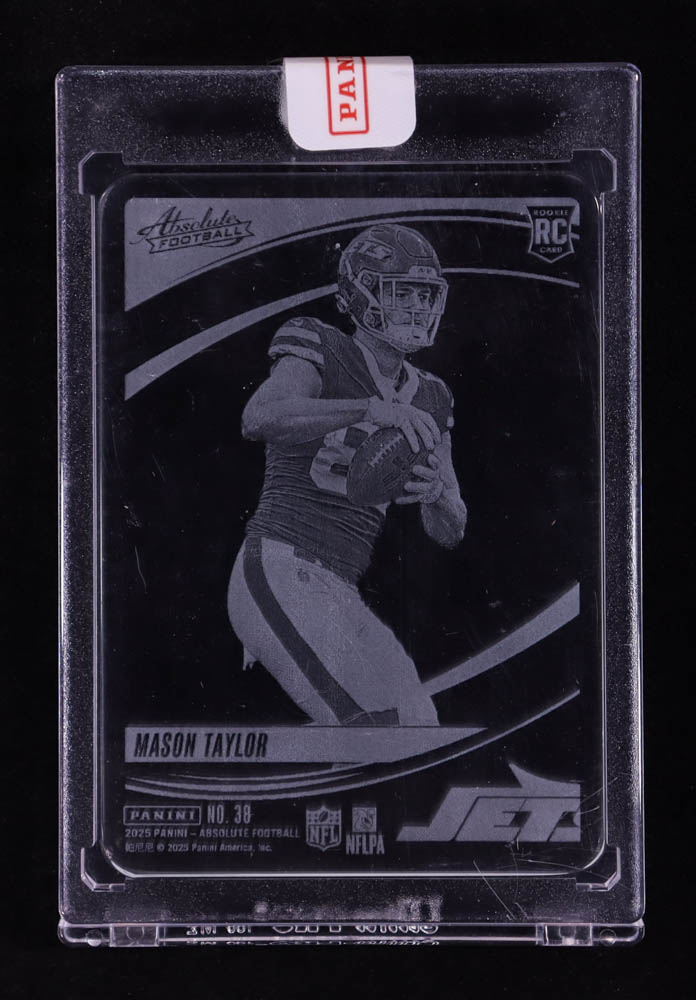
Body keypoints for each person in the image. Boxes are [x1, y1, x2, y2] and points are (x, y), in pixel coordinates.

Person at [227, 224, 467, 726]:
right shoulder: (321, 345)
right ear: (361, 294)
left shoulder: (433, 395)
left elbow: (451, 529)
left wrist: (437, 494)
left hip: (340, 587)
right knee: (377, 726)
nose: (418, 308)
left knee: (419, 726)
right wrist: (368, 409)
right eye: (402, 293)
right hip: (280, 565)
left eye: (425, 295)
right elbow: (259, 417)